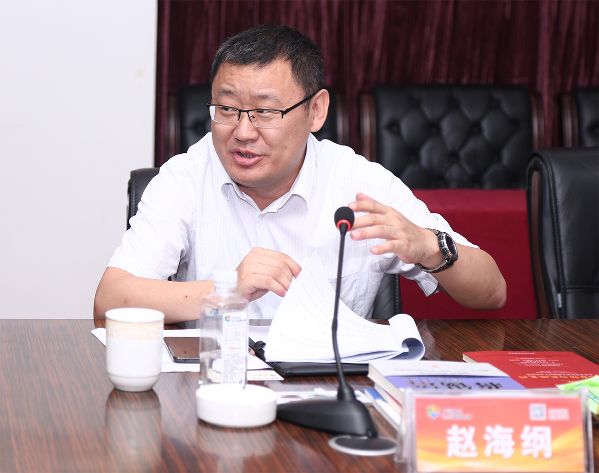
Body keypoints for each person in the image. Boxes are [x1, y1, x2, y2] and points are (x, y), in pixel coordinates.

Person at [94, 25, 506, 325]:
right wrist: (226, 289)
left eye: (265, 111)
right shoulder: (185, 177)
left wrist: (430, 246)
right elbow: (109, 301)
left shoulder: (359, 183)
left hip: (330, 393)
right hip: (214, 390)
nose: (242, 132)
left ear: (316, 111)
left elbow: (493, 291)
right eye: (228, 109)